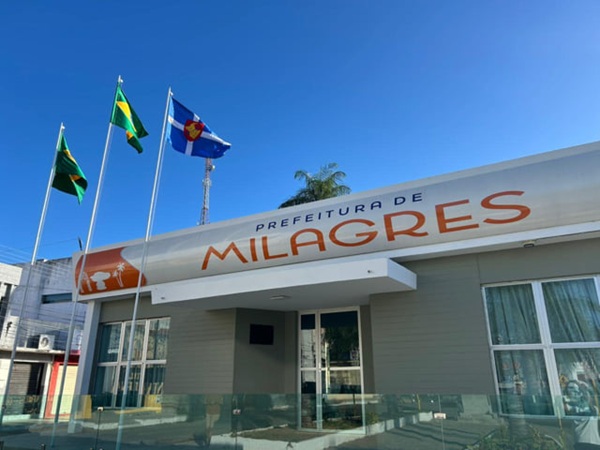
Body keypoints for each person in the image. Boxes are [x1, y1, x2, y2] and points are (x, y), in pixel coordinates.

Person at [564, 380, 600, 449]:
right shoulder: (570, 408)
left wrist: (588, 388)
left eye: (576, 389)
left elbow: (592, 399)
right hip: (581, 442)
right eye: (571, 388)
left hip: (595, 442)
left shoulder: (593, 408)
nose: (574, 392)